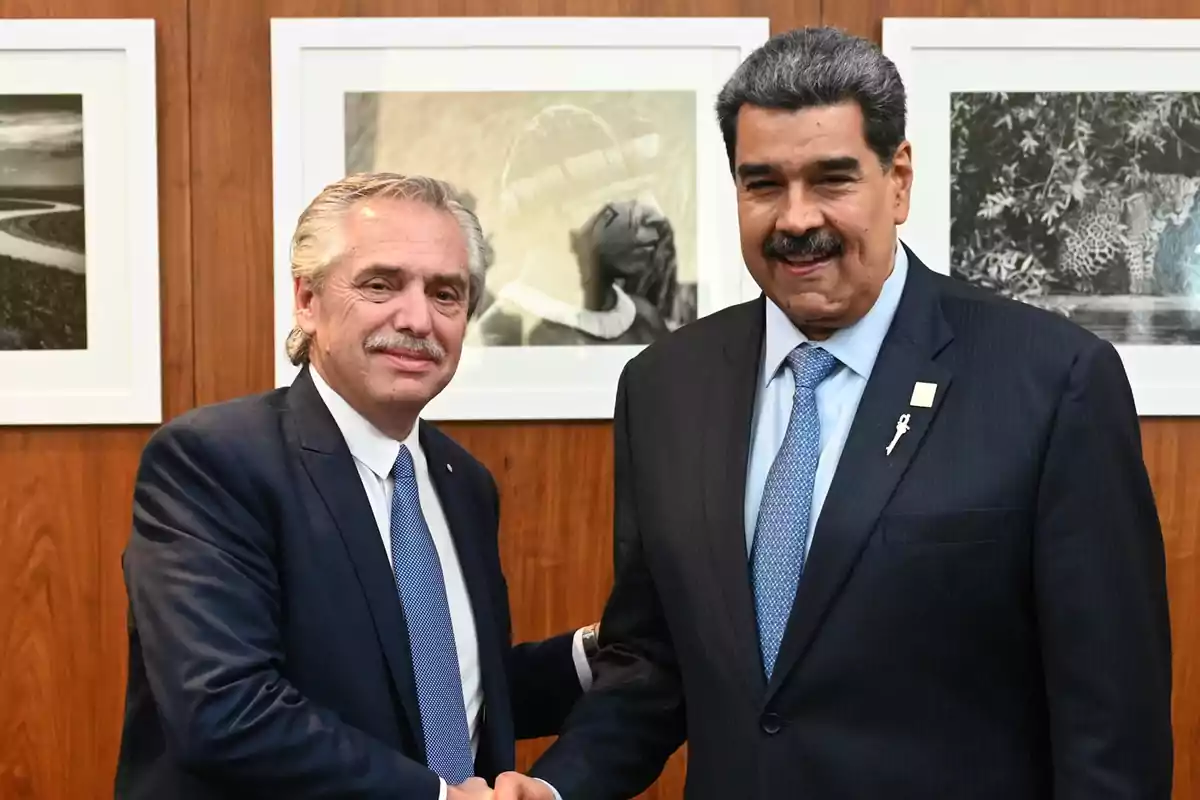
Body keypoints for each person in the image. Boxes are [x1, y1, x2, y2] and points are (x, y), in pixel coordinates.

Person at [492, 26, 1174, 800]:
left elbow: (1111, 725)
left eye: (831, 179)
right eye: (763, 184)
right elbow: (652, 662)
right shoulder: (663, 388)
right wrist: (554, 790)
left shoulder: (1052, 382)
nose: (794, 218)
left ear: (900, 179)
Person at [114, 173, 601, 800]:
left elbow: (439, 689)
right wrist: (439, 799)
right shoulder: (215, 462)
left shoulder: (464, 483)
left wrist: (596, 651)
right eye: (381, 284)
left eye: (446, 294)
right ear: (307, 300)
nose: (417, 318)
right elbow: (225, 709)